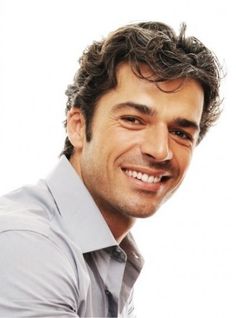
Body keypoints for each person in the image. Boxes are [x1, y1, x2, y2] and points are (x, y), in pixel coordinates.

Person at [0, 21, 221, 317]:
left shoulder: (111, 254)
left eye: (181, 133)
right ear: (78, 126)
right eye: (133, 120)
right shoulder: (28, 245)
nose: (160, 150)